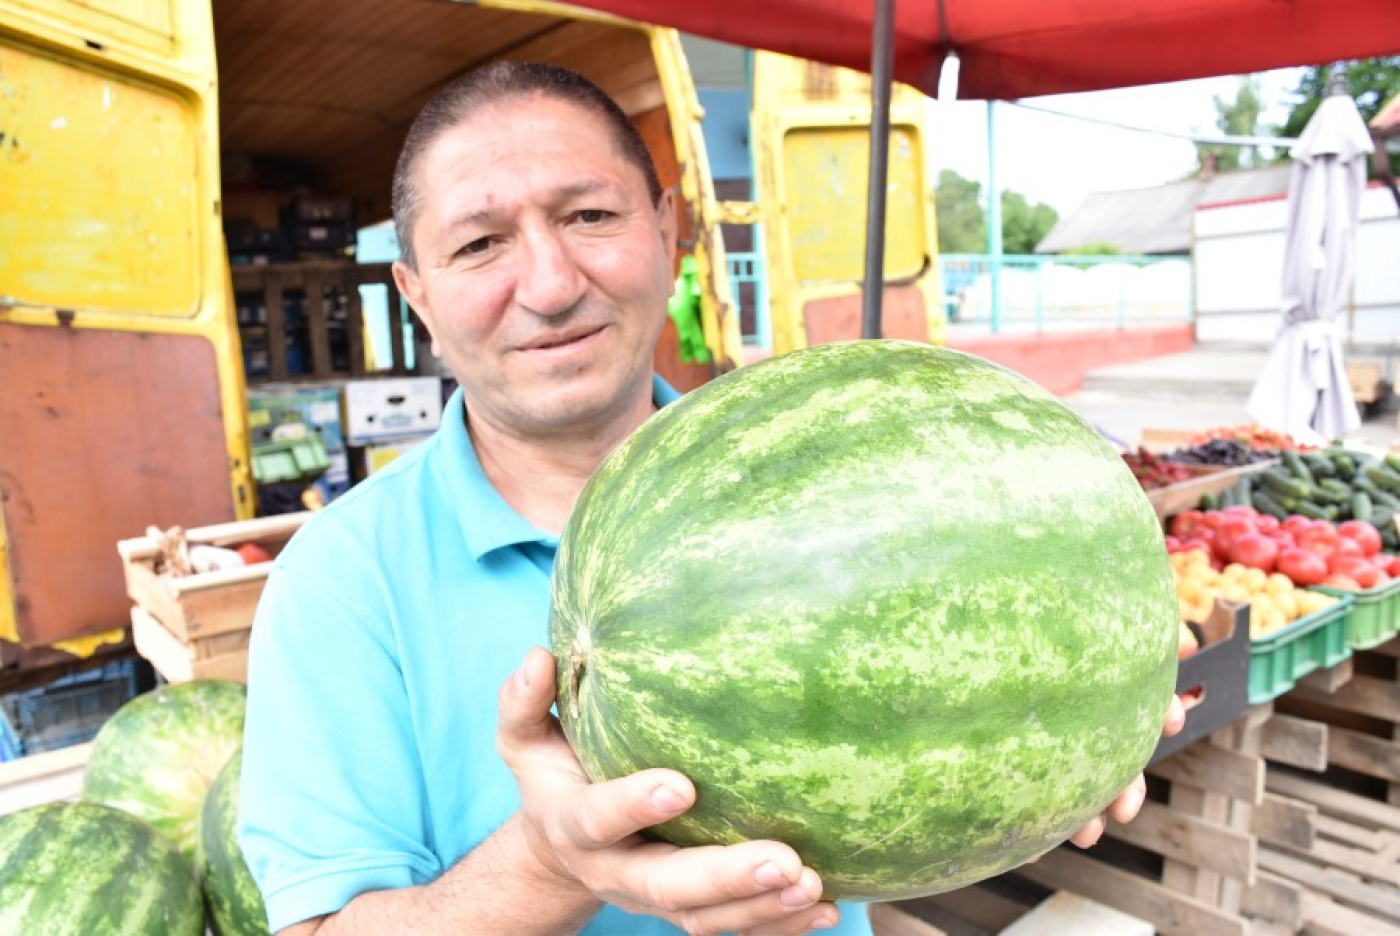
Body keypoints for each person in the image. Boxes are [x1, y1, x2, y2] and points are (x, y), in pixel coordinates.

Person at [239, 61, 1184, 936]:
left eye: (589, 217)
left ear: (669, 226)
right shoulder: (340, 579)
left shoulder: (836, 452)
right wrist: (555, 859)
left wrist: (1059, 732)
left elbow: (930, 744)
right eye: (480, 243)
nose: (551, 283)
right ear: (416, 293)